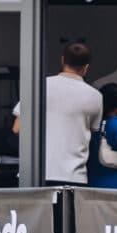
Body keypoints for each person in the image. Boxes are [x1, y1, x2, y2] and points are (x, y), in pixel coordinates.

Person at [12, 41, 103, 186]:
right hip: (73, 176)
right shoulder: (96, 96)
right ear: (86, 68)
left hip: (35, 173)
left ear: (62, 60)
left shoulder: (38, 87)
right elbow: (93, 132)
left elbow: (17, 128)